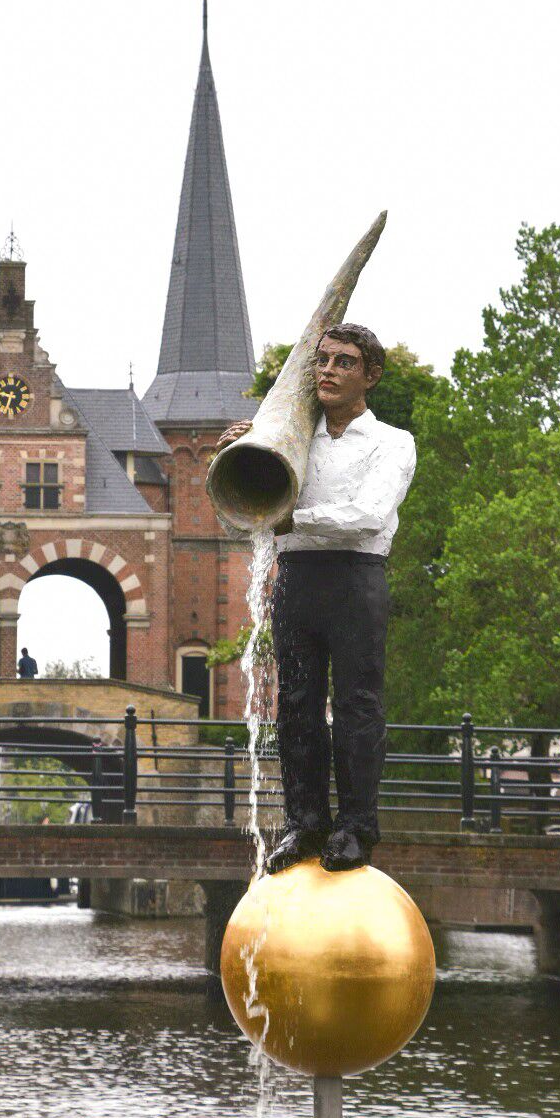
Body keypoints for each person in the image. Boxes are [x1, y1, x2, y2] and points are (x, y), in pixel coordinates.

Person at [217, 324, 416, 873]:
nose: (327, 369)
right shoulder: (290, 435)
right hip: (296, 578)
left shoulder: (393, 442)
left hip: (357, 579)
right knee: (295, 705)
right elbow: (241, 514)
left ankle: (355, 828)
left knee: (357, 705)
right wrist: (245, 455)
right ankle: (304, 824)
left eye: (344, 362)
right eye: (322, 359)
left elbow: (368, 515)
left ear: (371, 375)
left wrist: (289, 517)